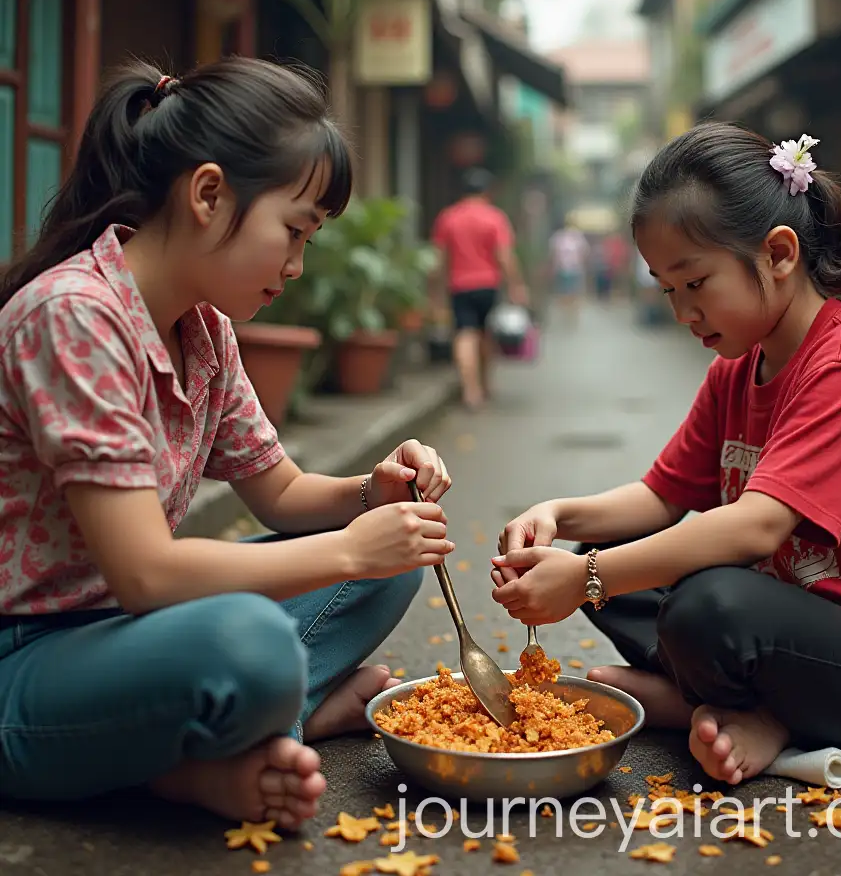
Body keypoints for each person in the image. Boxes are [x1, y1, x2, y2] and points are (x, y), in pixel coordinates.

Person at [0, 59, 455, 827]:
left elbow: (279, 492)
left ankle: (253, 726)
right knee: (250, 643)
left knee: (397, 565)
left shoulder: (203, 329)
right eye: (294, 231)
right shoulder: (75, 316)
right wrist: (352, 550)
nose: (296, 265)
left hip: (135, 636)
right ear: (209, 194)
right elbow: (146, 573)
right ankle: (206, 756)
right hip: (28, 657)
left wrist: (374, 497)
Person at [489, 123, 841, 787]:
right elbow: (661, 499)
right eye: (667, 290)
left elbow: (757, 526)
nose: (685, 311)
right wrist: (560, 518)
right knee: (612, 573)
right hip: (783, 618)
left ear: (777, 254)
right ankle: (714, 701)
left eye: (696, 282)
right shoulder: (735, 372)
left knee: (700, 605)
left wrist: (591, 576)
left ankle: (745, 713)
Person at [430, 167, 528, 410]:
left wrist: (435, 292)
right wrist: (516, 285)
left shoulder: (448, 217)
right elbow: (505, 256)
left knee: (465, 334)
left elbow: (439, 259)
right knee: (486, 335)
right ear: (487, 191)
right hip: (488, 285)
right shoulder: (494, 217)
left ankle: (470, 391)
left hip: (460, 286)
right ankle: (485, 384)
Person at [548, 219, 589, 324]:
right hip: (570, 268)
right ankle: (570, 314)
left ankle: (569, 314)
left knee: (568, 292)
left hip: (568, 269)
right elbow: (584, 253)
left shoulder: (560, 237)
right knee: (569, 292)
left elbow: (553, 254)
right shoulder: (575, 236)